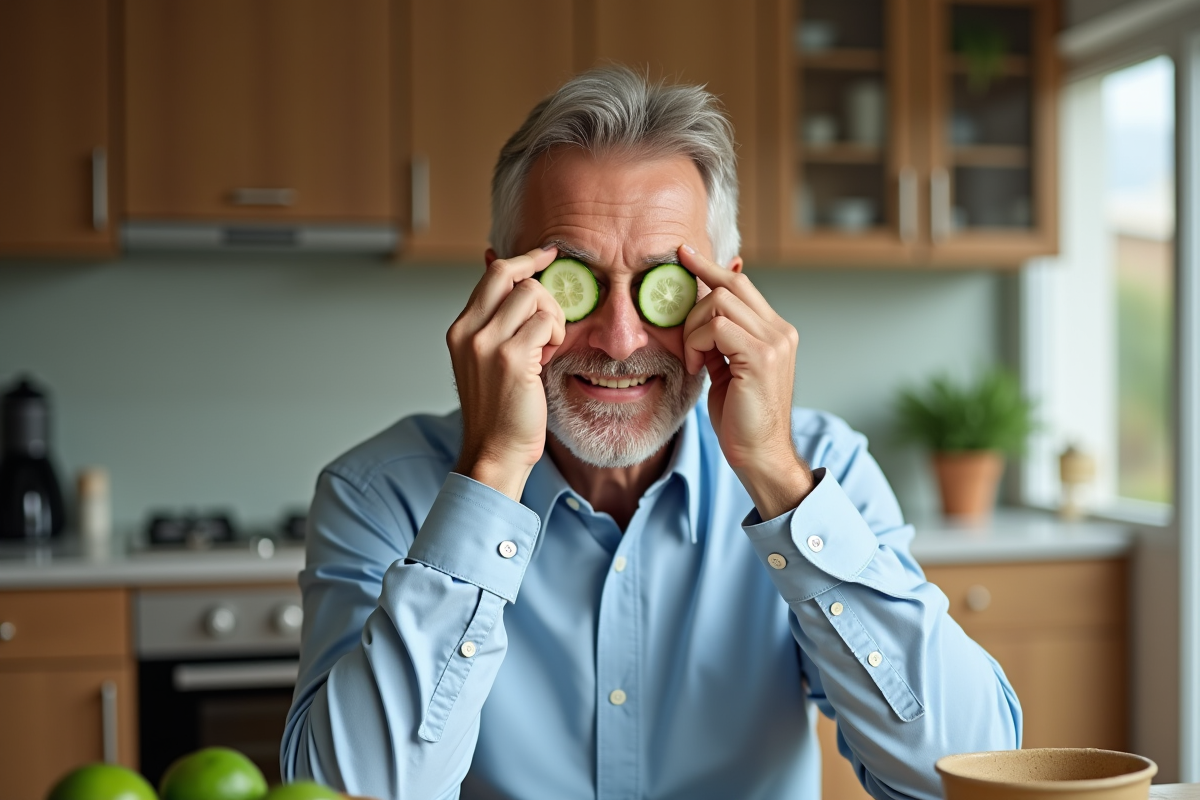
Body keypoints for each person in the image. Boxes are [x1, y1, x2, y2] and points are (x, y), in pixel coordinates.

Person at [281, 66, 1021, 800]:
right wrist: (493, 472)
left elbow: (970, 779)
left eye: (660, 282)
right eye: (574, 279)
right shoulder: (378, 494)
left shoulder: (822, 470)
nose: (618, 338)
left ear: (725, 291)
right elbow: (348, 794)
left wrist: (775, 478)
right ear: (498, 288)